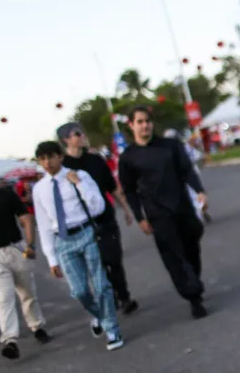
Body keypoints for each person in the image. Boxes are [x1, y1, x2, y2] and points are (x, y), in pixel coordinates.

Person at [32, 142, 123, 351]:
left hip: (87, 233)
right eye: (42, 159)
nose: (47, 162)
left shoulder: (79, 175)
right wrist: (51, 258)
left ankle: (112, 329)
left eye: (51, 157)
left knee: (101, 286)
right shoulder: (39, 189)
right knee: (79, 291)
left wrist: (79, 184)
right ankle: (98, 315)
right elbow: (44, 224)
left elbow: (98, 206)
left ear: (60, 157)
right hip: (63, 241)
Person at [118, 106, 208, 319]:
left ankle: (193, 281)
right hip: (158, 215)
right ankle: (193, 297)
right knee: (174, 256)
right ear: (131, 125)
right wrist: (140, 218)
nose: (144, 125)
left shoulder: (170, 146)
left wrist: (199, 190)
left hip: (183, 207)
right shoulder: (128, 158)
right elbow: (129, 191)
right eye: (139, 121)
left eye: (147, 121)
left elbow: (187, 170)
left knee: (191, 250)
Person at [59, 122, 139, 314]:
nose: (82, 136)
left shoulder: (95, 160)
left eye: (82, 132)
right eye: (77, 134)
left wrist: (126, 209)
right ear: (66, 140)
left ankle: (124, 296)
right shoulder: (64, 168)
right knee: (98, 263)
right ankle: (110, 297)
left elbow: (111, 186)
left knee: (114, 259)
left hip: (106, 218)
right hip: (84, 223)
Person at [0, 162, 51, 359]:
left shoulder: (6, 195)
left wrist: (30, 245)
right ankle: (10, 340)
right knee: (3, 297)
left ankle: (37, 326)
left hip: (15, 248)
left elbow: (26, 218)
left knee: (27, 292)